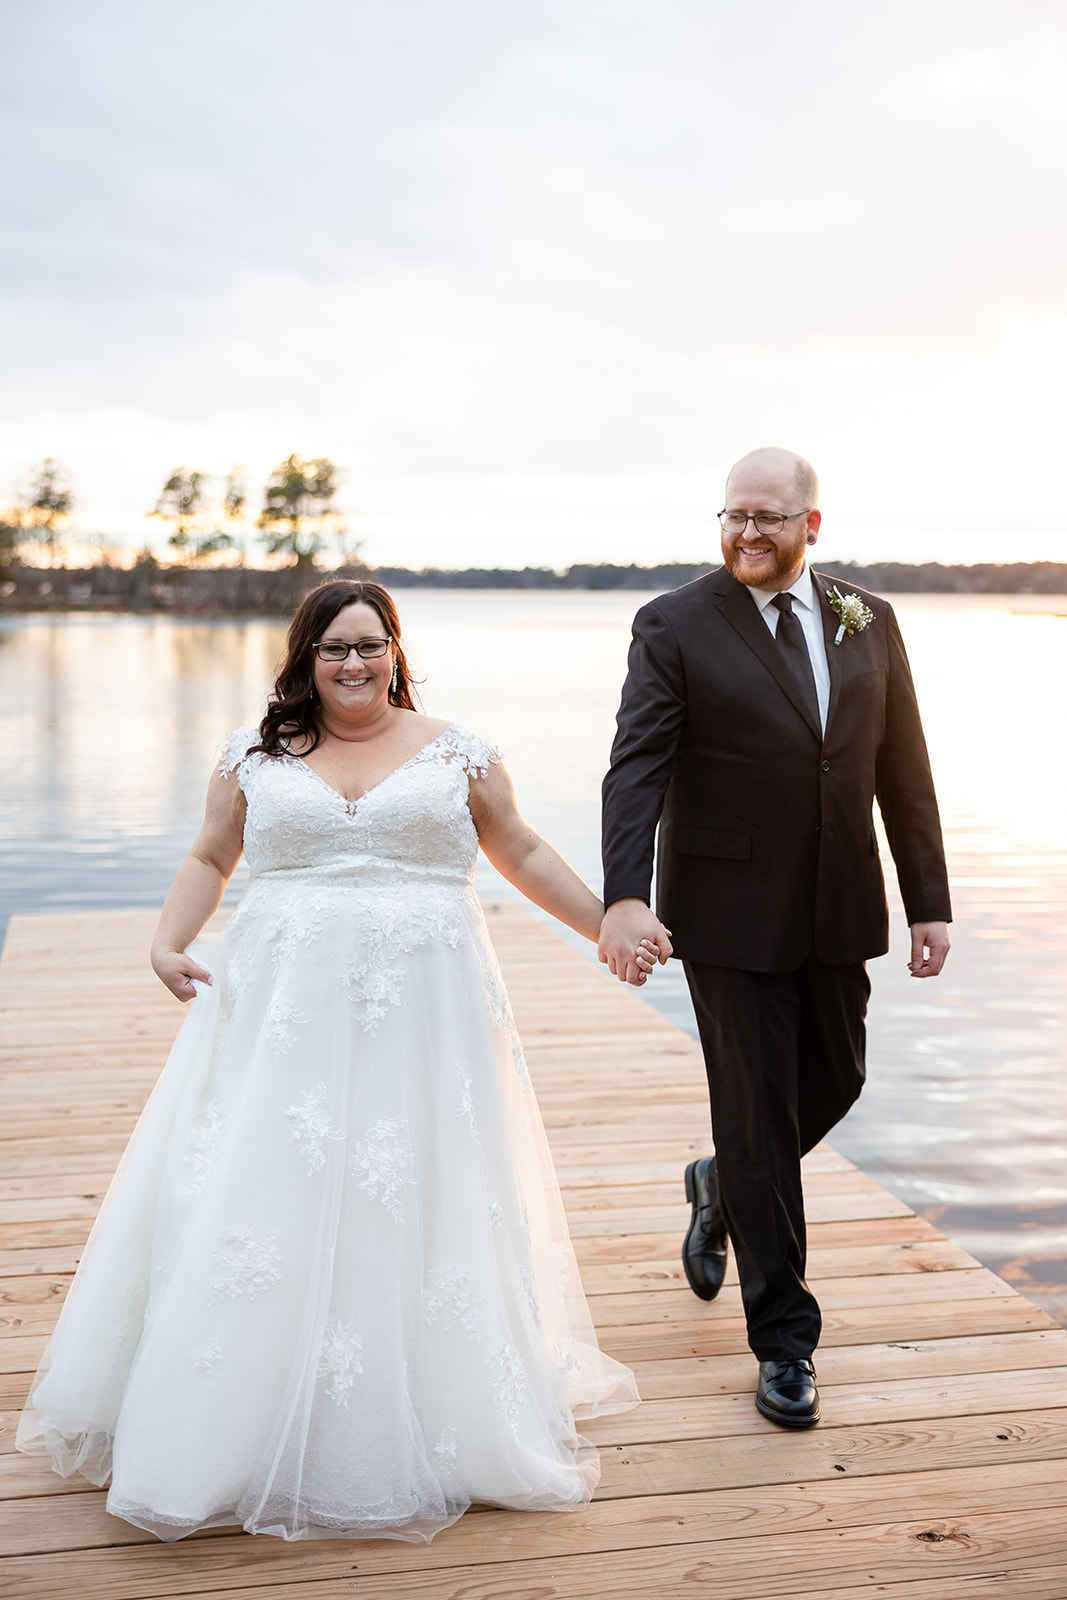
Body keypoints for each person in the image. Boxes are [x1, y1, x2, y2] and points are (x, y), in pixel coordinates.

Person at [17, 578, 651, 1542]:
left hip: (426, 1015)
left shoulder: (459, 754)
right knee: (268, 1187)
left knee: (414, 1187)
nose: (352, 664)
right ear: (303, 659)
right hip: (284, 1012)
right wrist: (166, 939)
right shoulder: (252, 757)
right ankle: (235, 1411)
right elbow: (207, 857)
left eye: (368, 645)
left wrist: (604, 922)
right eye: (332, 649)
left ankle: (429, 1410)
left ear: (396, 649)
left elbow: (517, 849)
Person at [598, 447, 951, 1428]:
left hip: (840, 904)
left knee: (833, 1079)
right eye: (731, 515)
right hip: (722, 911)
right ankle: (784, 1341)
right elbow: (634, 770)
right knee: (755, 1114)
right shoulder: (670, 623)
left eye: (766, 517)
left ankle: (719, 1180)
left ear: (811, 525)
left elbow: (902, 769)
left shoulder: (866, 619)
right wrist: (624, 895)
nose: (745, 533)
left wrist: (927, 899)